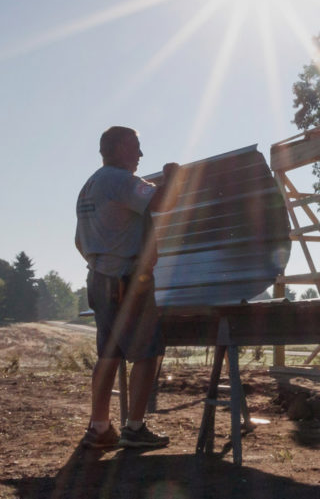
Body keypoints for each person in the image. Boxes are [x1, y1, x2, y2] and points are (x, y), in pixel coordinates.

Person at [75, 126, 182, 449]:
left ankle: (100, 428)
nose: (140, 154)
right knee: (148, 352)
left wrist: (104, 262)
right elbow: (161, 201)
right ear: (120, 148)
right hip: (125, 281)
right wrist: (173, 177)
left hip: (99, 279)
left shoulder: (90, 186)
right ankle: (134, 428)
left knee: (109, 354)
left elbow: (79, 242)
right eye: (136, 147)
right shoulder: (121, 181)